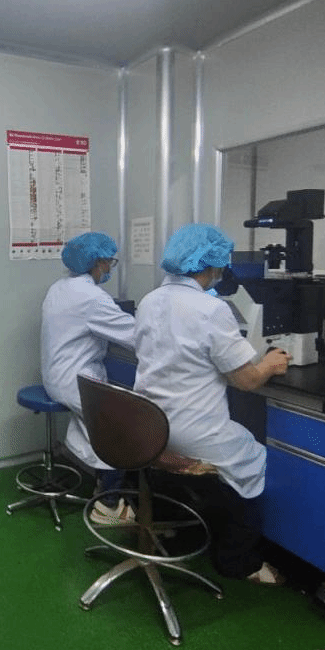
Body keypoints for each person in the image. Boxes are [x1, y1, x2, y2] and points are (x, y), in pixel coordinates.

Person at [133, 223, 291, 584]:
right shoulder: (211, 309)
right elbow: (246, 381)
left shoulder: (150, 300)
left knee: (223, 460)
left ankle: (180, 526)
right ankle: (238, 559)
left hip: (150, 426)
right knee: (258, 462)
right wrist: (271, 364)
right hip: (194, 433)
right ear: (213, 264)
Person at [40, 231, 137, 525]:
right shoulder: (92, 298)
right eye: (109, 262)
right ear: (97, 263)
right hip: (76, 380)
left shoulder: (59, 287)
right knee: (119, 426)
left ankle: (102, 483)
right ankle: (108, 504)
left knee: (105, 423)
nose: (109, 269)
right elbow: (135, 335)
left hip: (56, 377)